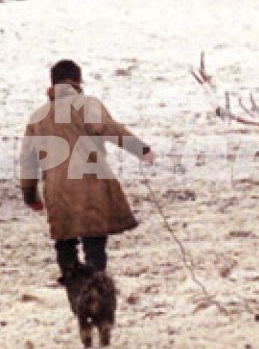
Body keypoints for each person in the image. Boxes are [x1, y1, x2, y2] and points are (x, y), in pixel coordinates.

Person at [18, 59, 156, 276]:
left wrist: (30, 195)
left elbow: (27, 161)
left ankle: (75, 289)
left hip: (58, 193)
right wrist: (141, 150)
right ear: (78, 81)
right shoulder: (87, 105)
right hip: (91, 188)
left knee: (65, 246)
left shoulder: (37, 117)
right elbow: (111, 129)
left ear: (52, 83)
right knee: (94, 246)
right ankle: (96, 288)